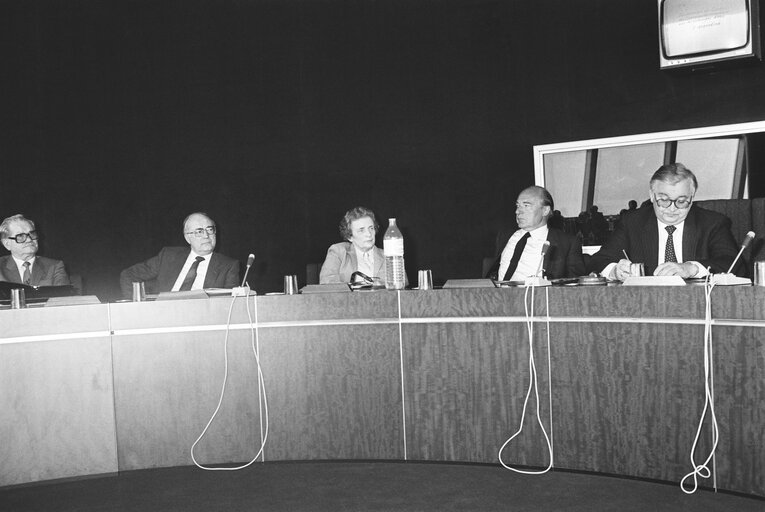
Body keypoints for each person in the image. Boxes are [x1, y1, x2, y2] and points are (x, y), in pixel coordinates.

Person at [590, 163, 742, 280]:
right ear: (652, 195)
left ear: (692, 195)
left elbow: (735, 265)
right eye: (663, 200)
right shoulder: (632, 222)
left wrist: (692, 268)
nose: (672, 208)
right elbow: (598, 261)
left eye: (681, 201)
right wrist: (615, 271)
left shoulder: (712, 223)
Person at [120, 212, 240, 297]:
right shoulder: (168, 256)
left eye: (210, 229)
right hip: (163, 313)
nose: (206, 235)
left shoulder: (228, 266)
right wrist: (139, 306)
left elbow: (228, 302)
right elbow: (128, 275)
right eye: (199, 231)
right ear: (188, 237)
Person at [485, 186, 586, 281]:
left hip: (538, 297)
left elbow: (575, 285)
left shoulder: (567, 243)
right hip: (498, 296)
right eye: (518, 206)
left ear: (545, 210)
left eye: (526, 205)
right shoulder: (504, 236)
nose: (518, 211)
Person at [320, 206, 386, 284]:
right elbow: (327, 282)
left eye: (371, 228)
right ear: (350, 236)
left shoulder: (387, 256)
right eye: (361, 230)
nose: (369, 234)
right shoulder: (338, 252)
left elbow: (401, 283)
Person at [0, 214, 70, 287]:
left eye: (32, 234)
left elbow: (63, 296)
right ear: (7, 244)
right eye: (20, 236)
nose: (29, 240)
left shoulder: (54, 267)